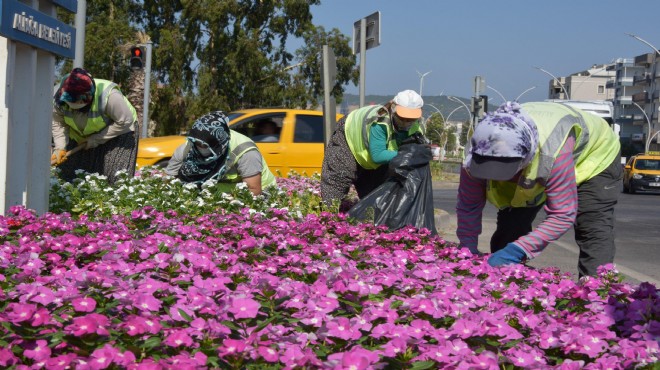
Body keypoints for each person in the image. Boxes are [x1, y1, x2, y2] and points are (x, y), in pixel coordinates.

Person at [456, 101, 622, 277]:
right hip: (543, 154)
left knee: (592, 224)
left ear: (527, 155)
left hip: (595, 155)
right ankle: (504, 284)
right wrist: (468, 248)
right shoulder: (476, 151)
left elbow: (562, 214)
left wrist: (516, 251)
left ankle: (596, 291)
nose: (501, 178)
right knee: (512, 222)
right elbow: (469, 205)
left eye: (508, 170)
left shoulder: (552, 151)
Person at [321, 89, 427, 210]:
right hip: (348, 137)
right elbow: (378, 155)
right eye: (402, 117)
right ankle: (328, 220)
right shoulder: (380, 122)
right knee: (338, 178)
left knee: (376, 194)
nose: (406, 122)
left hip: (372, 160)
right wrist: (407, 155)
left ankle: (370, 222)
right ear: (393, 109)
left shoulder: (417, 129)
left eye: (411, 119)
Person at [51, 68, 139, 184]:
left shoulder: (110, 96)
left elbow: (124, 121)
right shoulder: (57, 96)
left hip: (120, 130)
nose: (71, 109)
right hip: (80, 134)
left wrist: (95, 139)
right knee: (70, 176)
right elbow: (58, 123)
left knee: (114, 177)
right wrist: (60, 147)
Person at [165, 111, 277, 196]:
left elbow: (254, 191)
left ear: (220, 144)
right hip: (218, 189)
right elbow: (169, 180)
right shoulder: (187, 148)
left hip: (260, 192)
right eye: (198, 143)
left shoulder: (246, 151)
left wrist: (222, 205)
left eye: (207, 145)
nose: (201, 148)